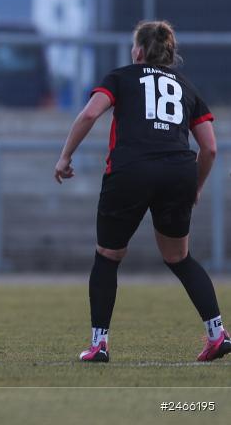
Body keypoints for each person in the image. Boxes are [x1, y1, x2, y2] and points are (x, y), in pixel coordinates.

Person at [55, 20, 229, 363]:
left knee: (108, 256)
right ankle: (218, 334)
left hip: (131, 170)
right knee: (180, 258)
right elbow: (209, 148)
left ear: (137, 50)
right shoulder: (187, 87)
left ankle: (99, 344)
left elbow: (91, 114)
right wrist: (195, 186)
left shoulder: (121, 76)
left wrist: (65, 156)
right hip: (178, 171)